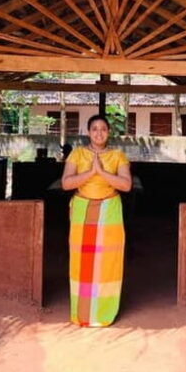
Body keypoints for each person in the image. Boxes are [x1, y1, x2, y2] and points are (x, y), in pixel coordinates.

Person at [61, 114, 132, 327]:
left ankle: (103, 313)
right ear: (88, 132)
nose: (99, 132)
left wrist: (101, 171)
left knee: (107, 262)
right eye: (94, 129)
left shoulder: (118, 156)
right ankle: (83, 313)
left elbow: (126, 185)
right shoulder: (78, 154)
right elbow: (66, 183)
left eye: (103, 129)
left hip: (109, 211)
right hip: (83, 211)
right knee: (81, 263)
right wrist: (91, 171)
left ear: (108, 132)